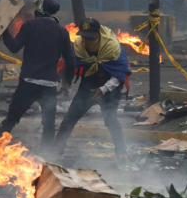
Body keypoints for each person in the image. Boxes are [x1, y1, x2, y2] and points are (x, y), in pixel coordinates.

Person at [0, 0, 75, 153]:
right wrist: (67, 83)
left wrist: (5, 33)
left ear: (40, 9)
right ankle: (46, 158)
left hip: (28, 84)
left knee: (11, 119)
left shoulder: (29, 25)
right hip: (49, 86)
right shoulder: (62, 32)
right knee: (49, 125)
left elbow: (14, 47)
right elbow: (71, 62)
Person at [54, 18, 131, 158]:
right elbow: (70, 65)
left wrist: (103, 89)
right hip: (88, 86)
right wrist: (66, 84)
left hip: (110, 88)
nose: (87, 42)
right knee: (70, 118)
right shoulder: (78, 46)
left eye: (90, 38)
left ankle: (122, 153)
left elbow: (120, 74)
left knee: (110, 120)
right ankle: (56, 150)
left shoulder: (112, 46)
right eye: (84, 37)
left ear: (98, 34)